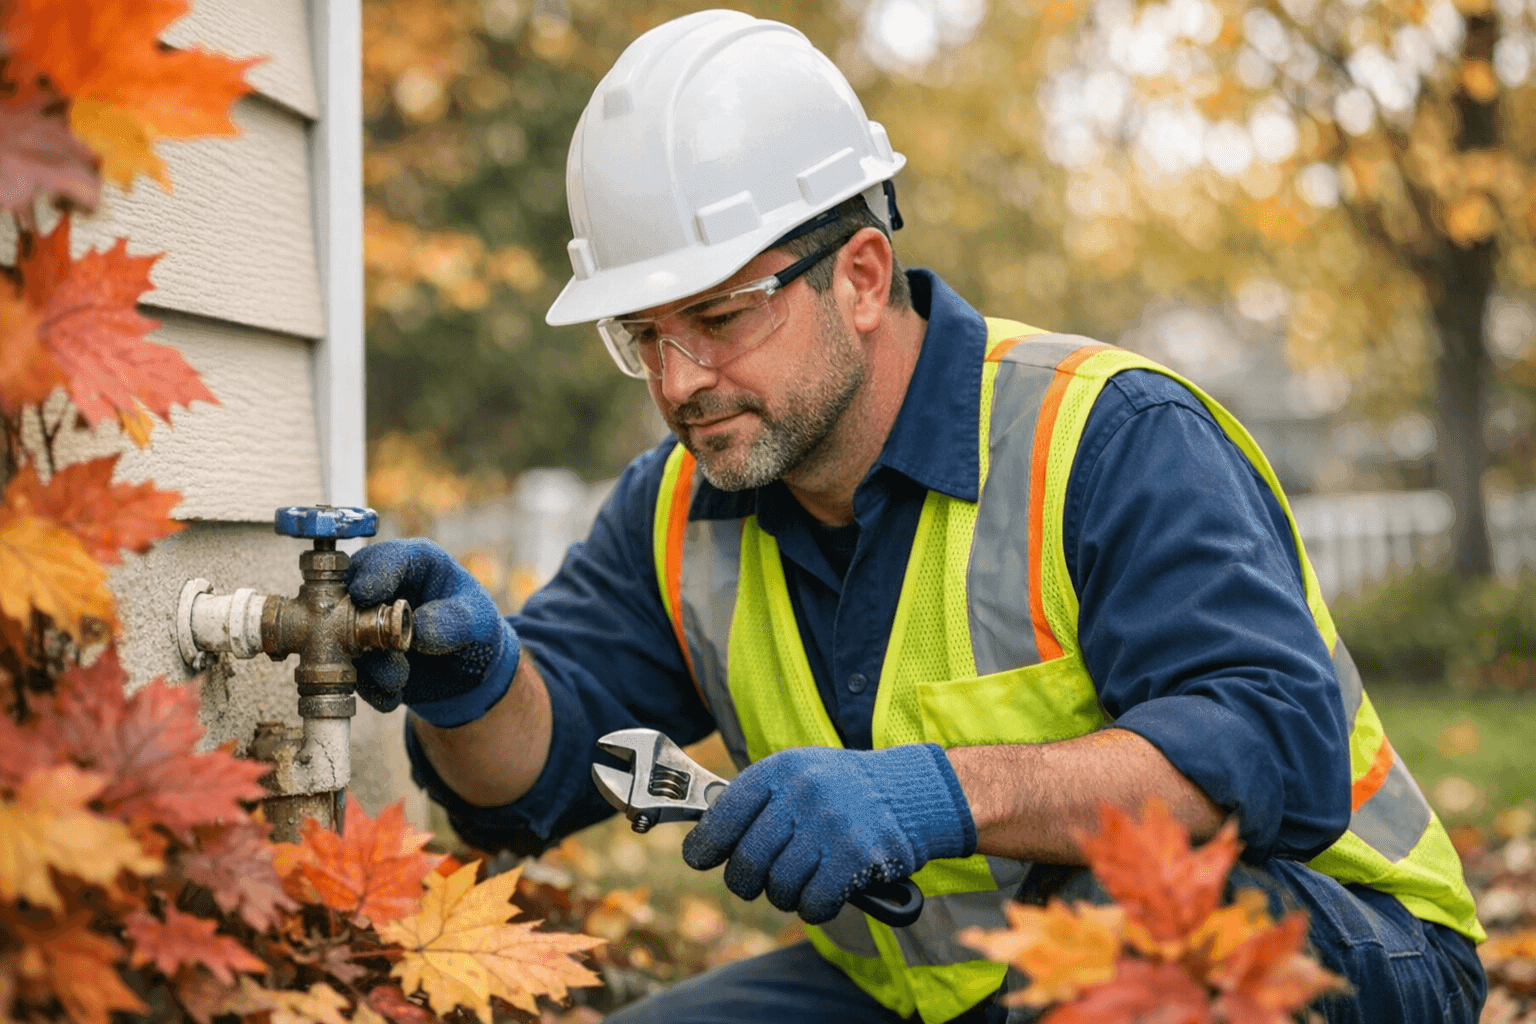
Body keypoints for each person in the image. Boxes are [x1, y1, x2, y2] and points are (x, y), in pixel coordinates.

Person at [347, 10, 1486, 1024]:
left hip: (1332, 942)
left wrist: (934, 794)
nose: (677, 379)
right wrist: (479, 683)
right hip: (949, 983)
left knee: (1120, 946)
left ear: (858, 274)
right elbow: (526, 790)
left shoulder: (1108, 436)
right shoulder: (682, 502)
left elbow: (1270, 747)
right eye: (641, 335)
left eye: (716, 316)